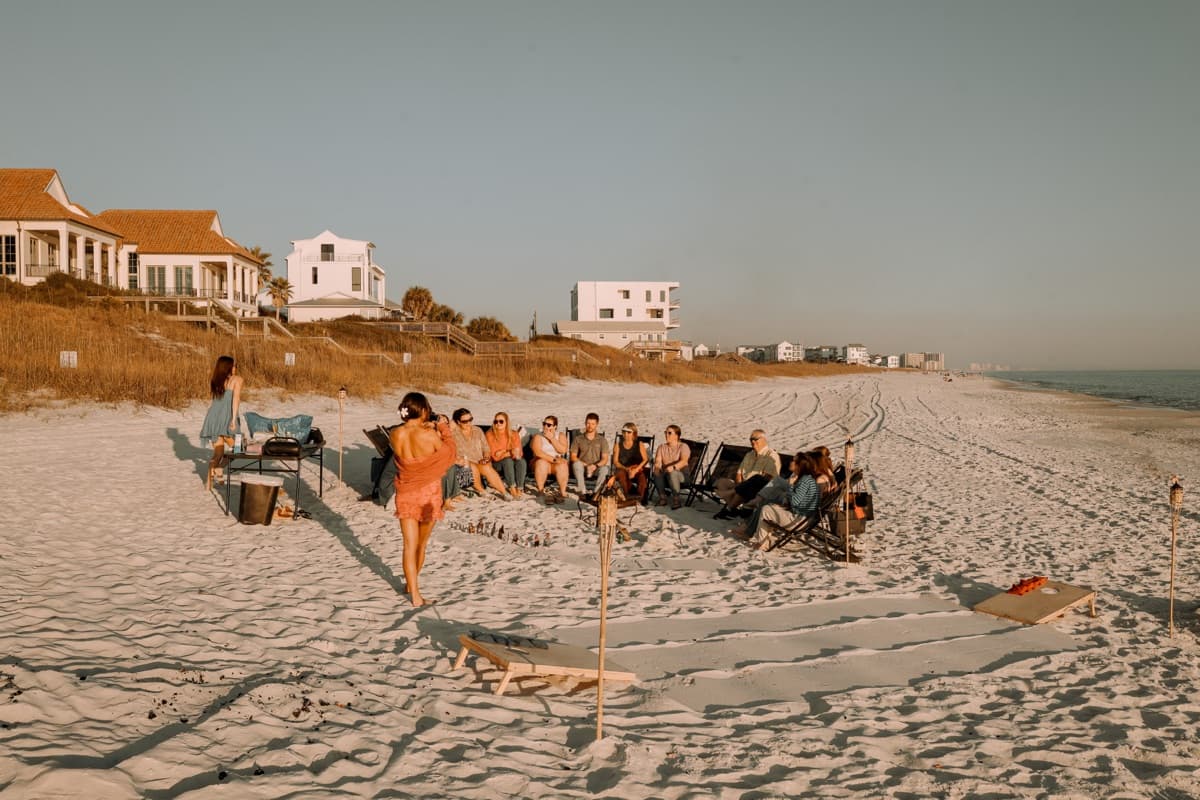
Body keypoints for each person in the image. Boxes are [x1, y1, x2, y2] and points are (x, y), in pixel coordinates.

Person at [390, 392, 455, 607]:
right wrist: (443, 427)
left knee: (409, 545)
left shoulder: (395, 434)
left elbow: (408, 459)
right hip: (427, 492)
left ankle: (413, 591)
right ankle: (413, 586)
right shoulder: (429, 436)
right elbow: (449, 453)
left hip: (405, 492)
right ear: (424, 410)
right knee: (421, 543)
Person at [744, 452, 821, 551]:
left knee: (766, 509)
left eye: (793, 461)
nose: (790, 462)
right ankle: (758, 537)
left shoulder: (805, 481)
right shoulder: (806, 479)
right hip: (802, 517)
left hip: (799, 521)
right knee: (768, 503)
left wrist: (790, 486)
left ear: (799, 466)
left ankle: (763, 543)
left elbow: (795, 501)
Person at [713, 429, 780, 519]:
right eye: (751, 439)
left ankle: (728, 509)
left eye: (755, 439)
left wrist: (743, 487)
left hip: (758, 490)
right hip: (743, 486)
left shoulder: (771, 456)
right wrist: (739, 485)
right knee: (721, 483)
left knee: (747, 487)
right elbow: (739, 473)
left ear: (764, 440)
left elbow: (768, 478)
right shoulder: (749, 454)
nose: (752, 441)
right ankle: (734, 509)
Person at [199, 355, 243, 491]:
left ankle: (208, 484)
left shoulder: (216, 380)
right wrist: (233, 419)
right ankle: (219, 468)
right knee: (238, 448)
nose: (236, 368)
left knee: (217, 453)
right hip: (227, 416)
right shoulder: (238, 380)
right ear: (229, 367)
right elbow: (235, 400)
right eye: (234, 365)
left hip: (212, 417)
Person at [451, 408, 510, 500]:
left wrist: (486, 457)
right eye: (465, 421)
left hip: (479, 461)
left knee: (486, 467)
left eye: (470, 420)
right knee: (473, 467)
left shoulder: (477, 430)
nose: (469, 423)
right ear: (458, 422)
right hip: (463, 464)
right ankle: (481, 490)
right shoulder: (452, 434)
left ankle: (504, 492)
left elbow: (486, 448)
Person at [569, 412, 609, 499]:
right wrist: (586, 465)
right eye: (588, 423)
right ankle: (582, 492)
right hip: (582, 467)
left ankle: (596, 493)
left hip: (596, 468)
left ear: (597, 424)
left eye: (592, 424)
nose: (590, 426)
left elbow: (605, 459)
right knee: (576, 464)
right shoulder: (578, 439)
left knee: (605, 469)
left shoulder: (602, 440)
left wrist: (595, 466)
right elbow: (573, 456)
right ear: (585, 423)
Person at [486, 412, 526, 498]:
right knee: (507, 461)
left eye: (501, 421)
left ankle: (519, 487)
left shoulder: (514, 434)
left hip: (511, 460)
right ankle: (512, 487)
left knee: (521, 461)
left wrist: (504, 451)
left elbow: (519, 453)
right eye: (495, 421)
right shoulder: (490, 435)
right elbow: (495, 456)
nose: (498, 424)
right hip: (497, 464)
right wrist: (511, 452)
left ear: (507, 422)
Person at [531, 415, 570, 502]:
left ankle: (562, 491)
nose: (545, 426)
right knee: (541, 463)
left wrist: (552, 439)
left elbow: (563, 450)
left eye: (549, 425)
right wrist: (553, 459)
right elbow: (538, 452)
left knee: (563, 465)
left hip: (555, 464)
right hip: (541, 461)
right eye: (544, 424)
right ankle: (540, 490)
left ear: (555, 426)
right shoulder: (538, 436)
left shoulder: (560, 435)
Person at [651, 424, 691, 509]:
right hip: (666, 475)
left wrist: (673, 467)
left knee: (673, 473)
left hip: (682, 476)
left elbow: (684, 461)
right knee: (657, 473)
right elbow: (658, 461)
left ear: (676, 435)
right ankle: (663, 498)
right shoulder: (661, 447)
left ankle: (676, 499)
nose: (666, 434)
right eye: (665, 432)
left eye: (669, 433)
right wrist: (657, 467)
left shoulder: (683, 446)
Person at [609, 422, 649, 502]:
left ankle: (640, 497)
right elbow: (615, 462)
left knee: (642, 477)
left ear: (634, 433)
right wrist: (626, 469)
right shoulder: (618, 445)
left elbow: (645, 459)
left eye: (629, 432)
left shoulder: (639, 444)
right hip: (623, 468)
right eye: (624, 432)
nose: (626, 434)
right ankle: (627, 495)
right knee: (621, 474)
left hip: (637, 467)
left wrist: (635, 470)